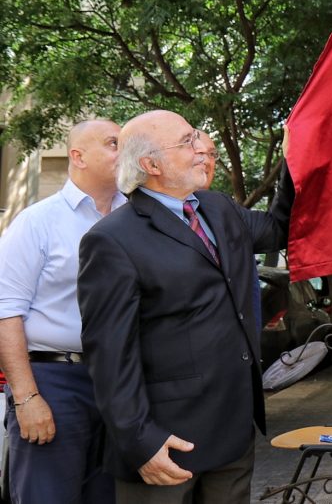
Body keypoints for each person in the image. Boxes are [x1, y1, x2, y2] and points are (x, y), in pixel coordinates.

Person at [77, 110, 293, 503]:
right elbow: (110, 355)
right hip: (166, 442)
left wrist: (294, 159)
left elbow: (280, 229)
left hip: (233, 431)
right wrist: (140, 441)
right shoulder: (111, 240)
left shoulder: (219, 207)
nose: (201, 149)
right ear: (151, 165)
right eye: (187, 142)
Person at [0, 119, 124, 503]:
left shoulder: (136, 218)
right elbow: (6, 312)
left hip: (119, 382)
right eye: (113, 143)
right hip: (54, 381)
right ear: (78, 156)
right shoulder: (37, 221)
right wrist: (26, 398)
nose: (124, 150)